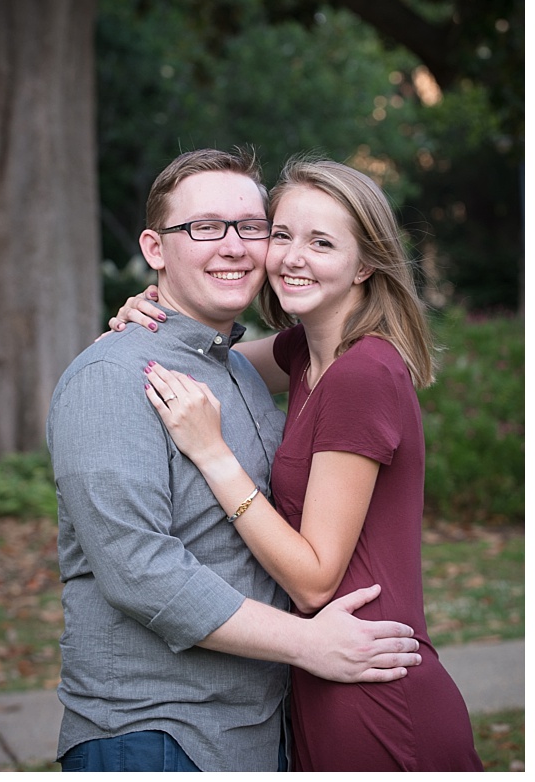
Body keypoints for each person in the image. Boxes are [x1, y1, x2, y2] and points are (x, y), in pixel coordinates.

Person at [47, 148, 422, 773]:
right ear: (155, 248)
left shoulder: (241, 368)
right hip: (155, 732)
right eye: (203, 227)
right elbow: (140, 571)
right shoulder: (110, 381)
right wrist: (307, 645)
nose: (234, 245)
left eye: (251, 227)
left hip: (255, 726)